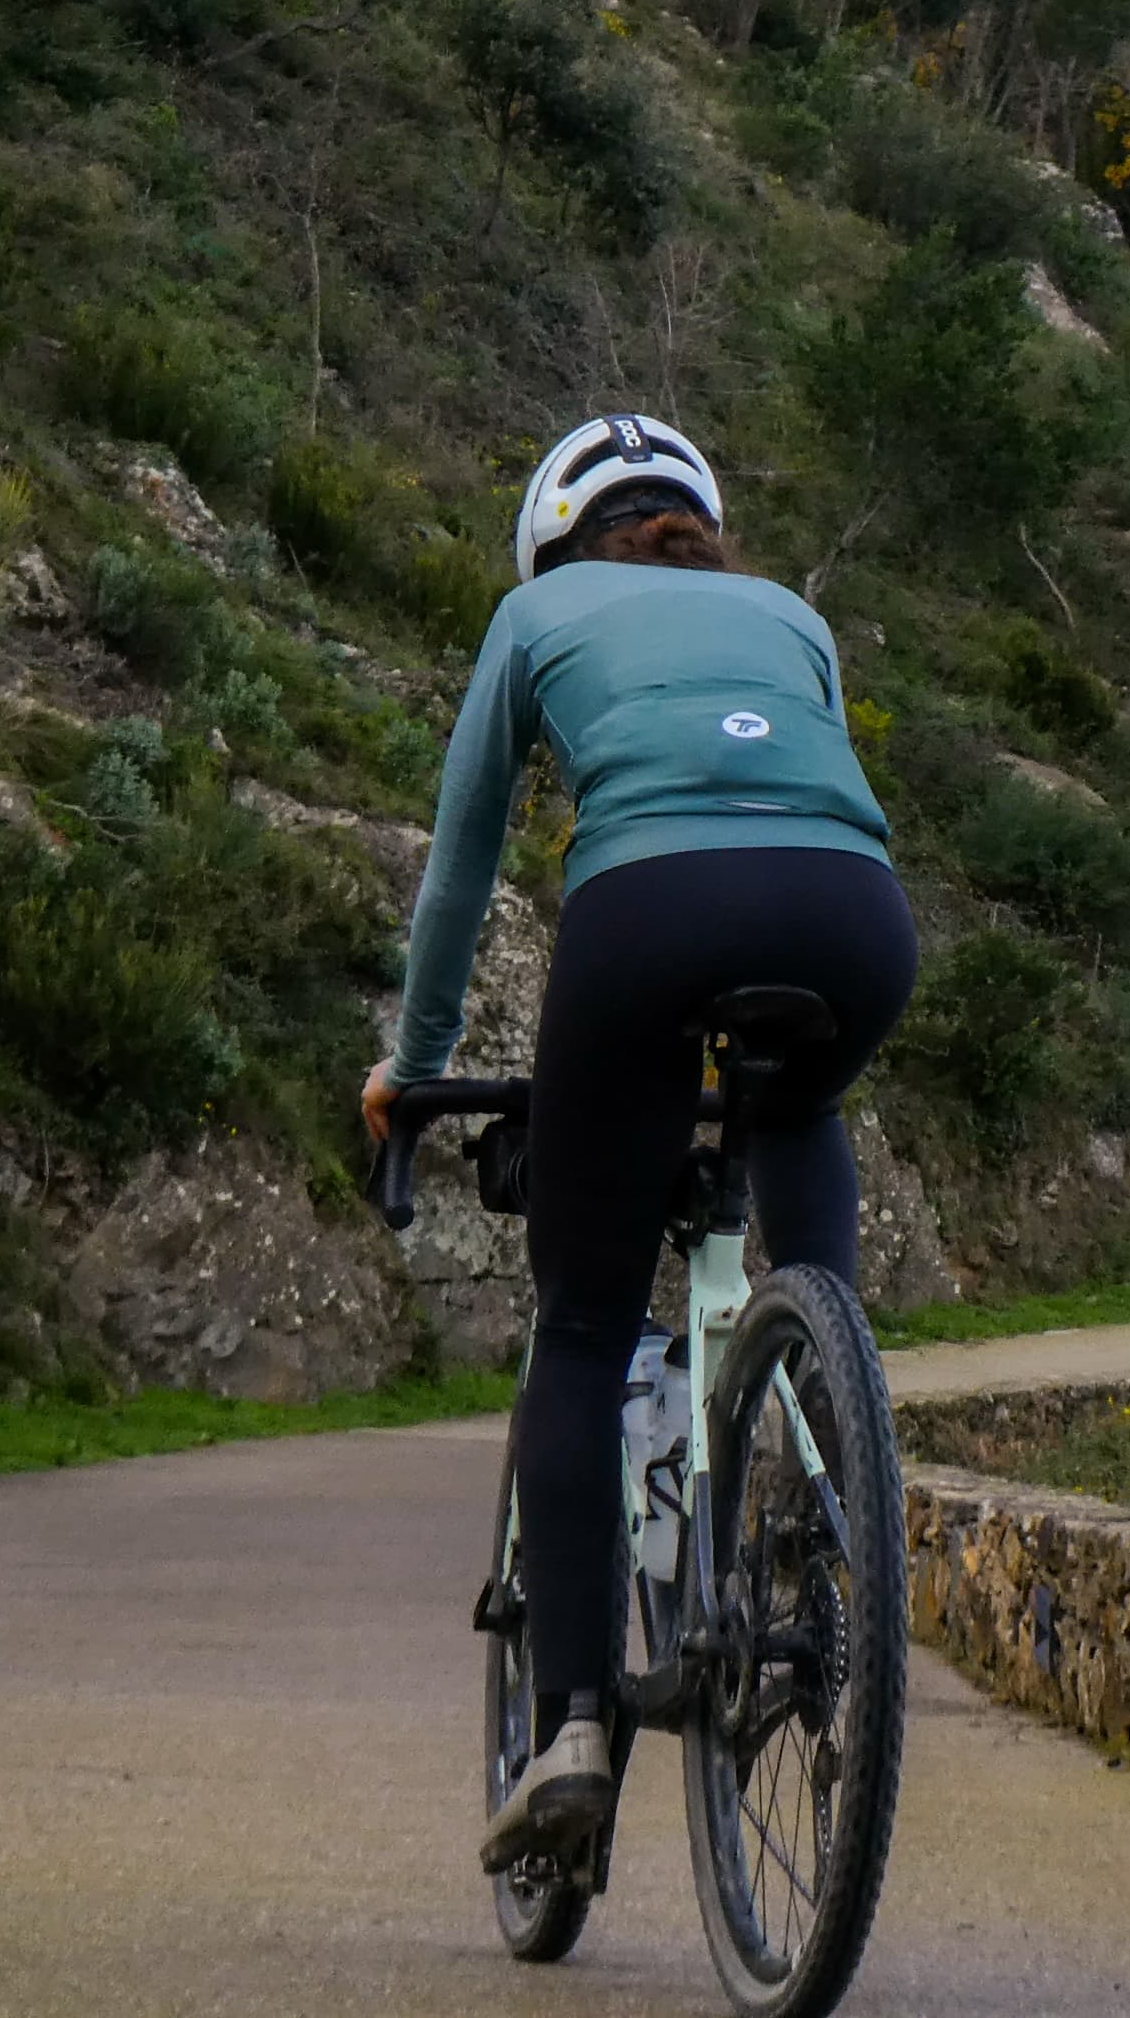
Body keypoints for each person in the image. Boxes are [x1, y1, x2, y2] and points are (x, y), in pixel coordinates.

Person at [362, 412, 914, 1878]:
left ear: (555, 545)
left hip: (648, 916)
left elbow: (462, 869)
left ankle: (574, 1726)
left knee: (587, 1326)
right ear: (701, 527)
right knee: (796, 1108)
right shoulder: (792, 616)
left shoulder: (535, 617)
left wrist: (415, 1068)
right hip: (857, 919)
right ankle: (830, 1448)